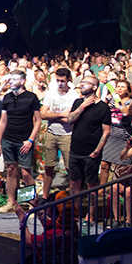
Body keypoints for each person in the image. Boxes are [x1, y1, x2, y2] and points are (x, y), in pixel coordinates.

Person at [0, 70, 42, 213]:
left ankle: (31, 204)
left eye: (14, 79)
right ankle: (11, 201)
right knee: (10, 170)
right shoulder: (7, 98)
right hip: (8, 139)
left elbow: (38, 121)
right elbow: (3, 121)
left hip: (24, 140)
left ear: (22, 81)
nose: (10, 82)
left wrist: (30, 140)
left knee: (26, 173)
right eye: (10, 79)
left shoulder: (31, 97)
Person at [64, 75, 111, 197]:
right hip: (75, 150)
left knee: (91, 184)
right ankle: (77, 208)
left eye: (86, 82)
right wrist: (82, 106)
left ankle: (91, 210)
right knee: (74, 182)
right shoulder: (78, 102)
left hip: (91, 152)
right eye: (82, 82)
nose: (82, 84)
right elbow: (69, 120)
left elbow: (106, 132)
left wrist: (97, 151)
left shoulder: (103, 107)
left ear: (95, 87)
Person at [39, 67, 80, 195]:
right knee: (48, 166)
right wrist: (61, 114)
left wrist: (53, 115)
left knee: (70, 167)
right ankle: (45, 195)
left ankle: (72, 195)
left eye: (62, 81)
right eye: (58, 80)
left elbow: (70, 119)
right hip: (51, 133)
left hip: (67, 135)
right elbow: (43, 114)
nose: (60, 83)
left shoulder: (74, 95)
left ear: (68, 80)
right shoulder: (51, 93)